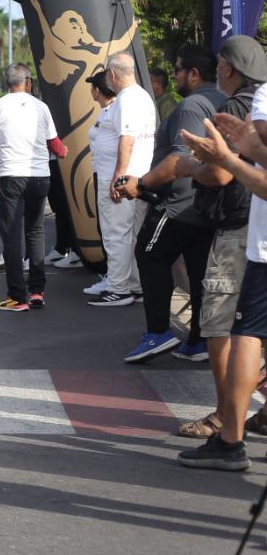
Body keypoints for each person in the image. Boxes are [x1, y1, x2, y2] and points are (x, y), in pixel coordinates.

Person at [172, 35, 266, 452]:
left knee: (225, 327)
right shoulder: (251, 105)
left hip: (241, 230)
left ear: (226, 68)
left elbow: (223, 175)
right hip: (252, 226)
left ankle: (227, 422)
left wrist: (190, 164)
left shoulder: (235, 109)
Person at [114, 46, 224, 362]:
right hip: (205, 204)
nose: (173, 75)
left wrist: (142, 183)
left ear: (193, 73)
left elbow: (178, 159)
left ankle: (158, 332)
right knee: (199, 269)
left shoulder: (191, 105)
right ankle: (199, 341)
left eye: (177, 69)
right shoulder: (218, 100)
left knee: (148, 253)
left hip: (179, 202)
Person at [0, 63, 64, 311]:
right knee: (35, 230)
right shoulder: (41, 107)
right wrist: (64, 151)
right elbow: (55, 144)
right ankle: (37, 291)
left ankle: (18, 297)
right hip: (40, 176)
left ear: (8, 82)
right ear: (28, 82)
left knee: (11, 235)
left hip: (11, 175)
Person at [92, 51, 157, 307]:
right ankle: (132, 284)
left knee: (116, 233)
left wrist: (117, 177)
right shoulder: (142, 96)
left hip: (123, 177)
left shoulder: (127, 99)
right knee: (132, 234)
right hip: (140, 176)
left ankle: (119, 288)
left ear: (112, 74)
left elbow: (127, 139)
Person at [81, 71, 119, 296]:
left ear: (97, 89)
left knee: (113, 231)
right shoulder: (105, 111)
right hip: (101, 174)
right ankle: (113, 276)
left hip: (110, 177)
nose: (91, 91)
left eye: (92, 87)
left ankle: (116, 280)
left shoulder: (115, 110)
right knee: (105, 229)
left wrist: (117, 175)